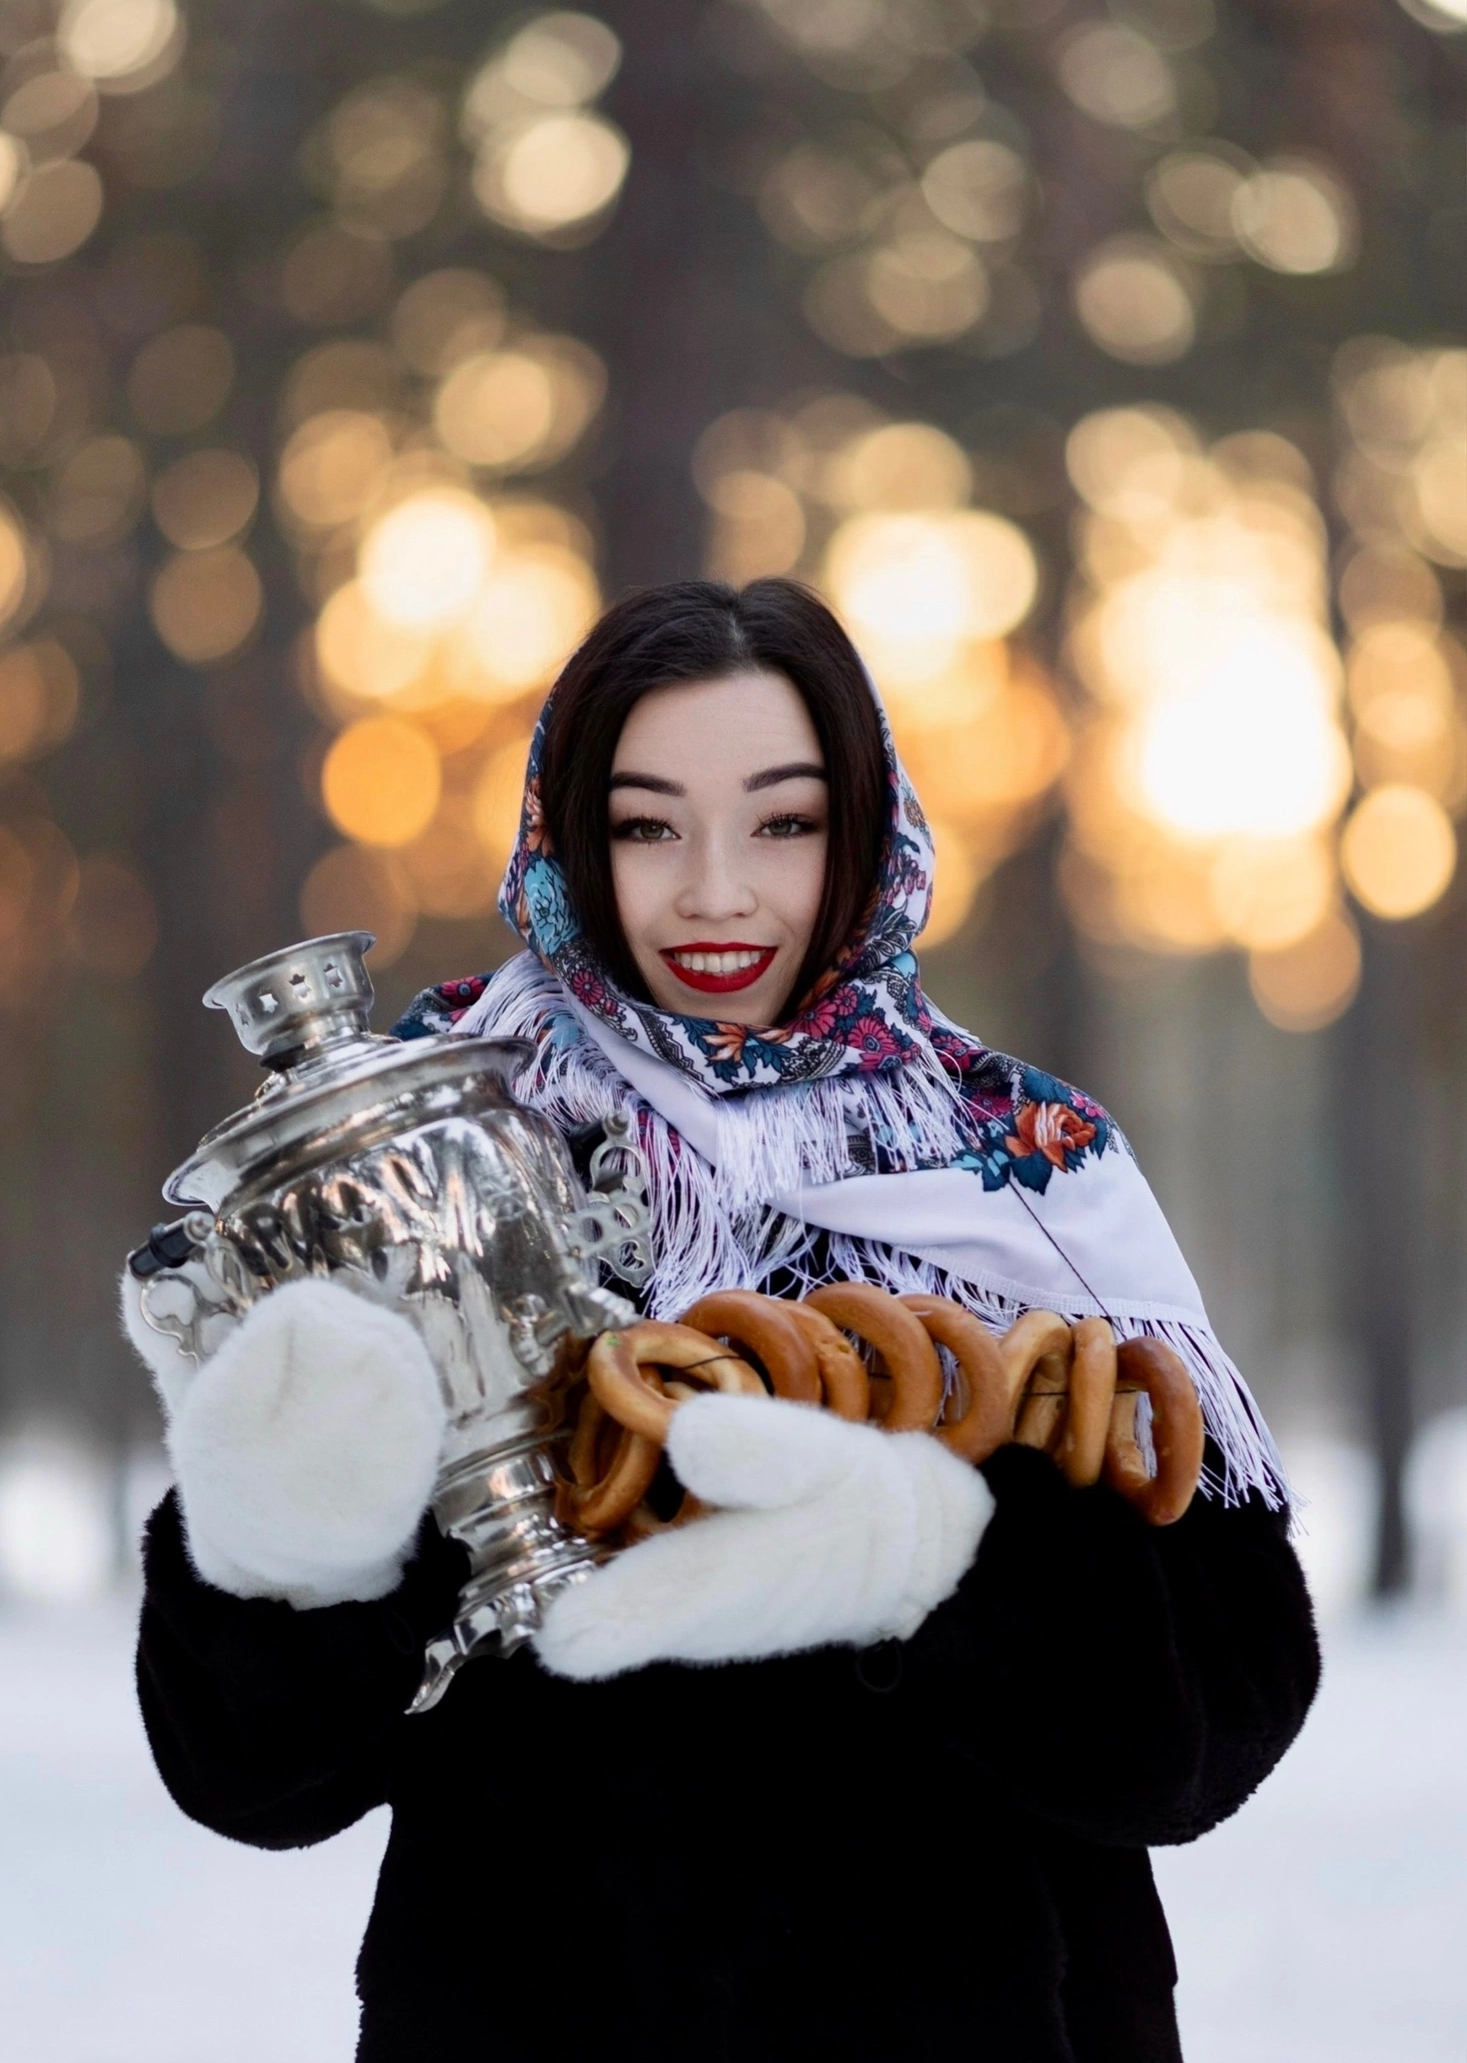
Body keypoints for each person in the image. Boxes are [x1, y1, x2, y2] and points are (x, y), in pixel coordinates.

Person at [126, 579, 1320, 2062]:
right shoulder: (416, 1164)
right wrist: (297, 1529)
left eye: (783, 822)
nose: (713, 893)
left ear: (866, 835)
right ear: (568, 838)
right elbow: (249, 1768)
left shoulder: (1016, 1170)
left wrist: (934, 1559)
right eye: (645, 826)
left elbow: (1208, 1729)